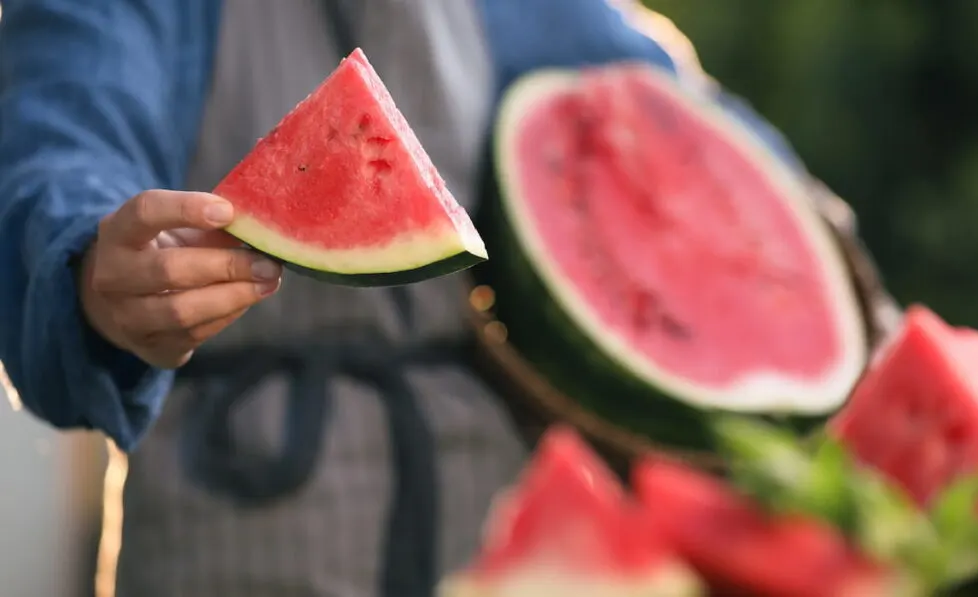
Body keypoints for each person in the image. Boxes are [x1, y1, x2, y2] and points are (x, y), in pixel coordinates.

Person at [0, 0, 696, 595]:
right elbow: (58, 142)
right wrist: (92, 261)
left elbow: (673, 117)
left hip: (492, 510)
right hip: (237, 517)